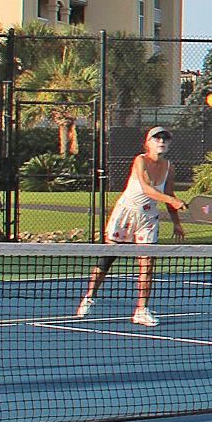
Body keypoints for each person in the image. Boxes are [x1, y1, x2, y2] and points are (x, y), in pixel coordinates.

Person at [78, 126, 186, 326]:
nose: (161, 141)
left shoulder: (170, 167)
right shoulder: (140, 160)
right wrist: (171, 200)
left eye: (165, 138)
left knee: (147, 264)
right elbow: (146, 188)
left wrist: (176, 223)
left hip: (148, 217)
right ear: (148, 143)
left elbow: (169, 196)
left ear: (169, 144)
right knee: (107, 259)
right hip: (126, 213)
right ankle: (90, 296)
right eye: (156, 138)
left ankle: (141, 309)